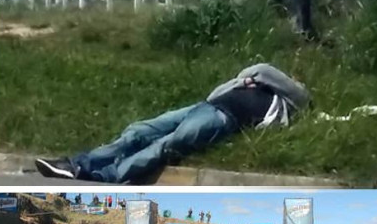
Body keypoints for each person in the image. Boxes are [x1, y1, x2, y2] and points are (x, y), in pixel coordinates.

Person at [34, 64, 310, 183]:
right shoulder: (251, 84)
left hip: (222, 119)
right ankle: (78, 164)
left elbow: (266, 70)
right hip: (206, 106)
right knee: (139, 131)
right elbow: (220, 91)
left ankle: (105, 177)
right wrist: (242, 82)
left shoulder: (290, 102)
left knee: (166, 144)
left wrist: (255, 79)